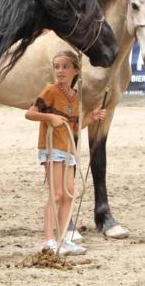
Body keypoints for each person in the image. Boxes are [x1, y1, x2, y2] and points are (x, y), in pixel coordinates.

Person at [24, 50, 106, 256]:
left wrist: (92, 117)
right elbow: (30, 113)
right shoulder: (49, 91)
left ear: (75, 71)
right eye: (57, 67)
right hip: (52, 148)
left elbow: (75, 127)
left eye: (65, 67)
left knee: (68, 194)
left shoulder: (75, 97)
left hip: (68, 149)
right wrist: (49, 118)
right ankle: (47, 240)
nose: (60, 71)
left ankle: (63, 239)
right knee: (56, 194)